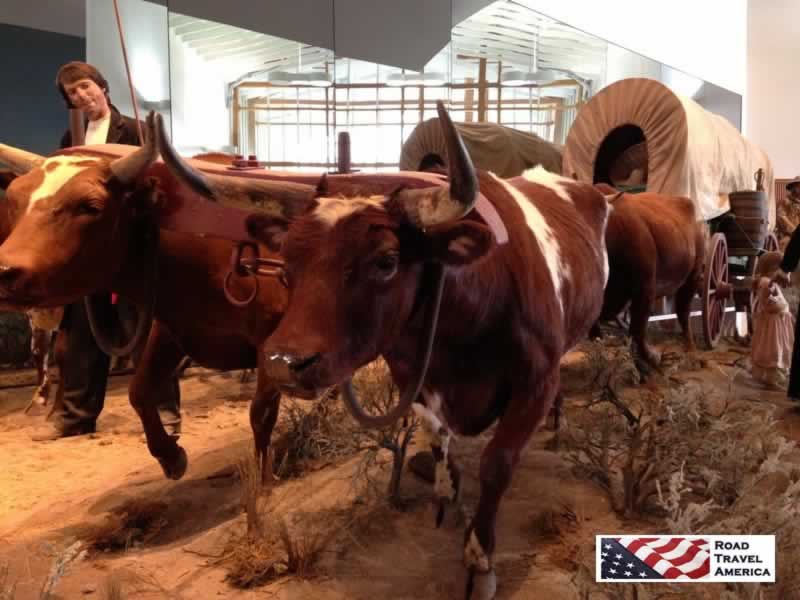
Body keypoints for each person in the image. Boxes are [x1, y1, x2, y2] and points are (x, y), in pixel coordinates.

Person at [32, 61, 181, 441]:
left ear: (101, 86)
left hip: (131, 249)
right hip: (90, 249)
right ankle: (75, 417)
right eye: (73, 93)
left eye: (85, 87)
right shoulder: (72, 137)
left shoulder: (135, 130)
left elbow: (160, 182)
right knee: (83, 332)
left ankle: (164, 413)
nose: (82, 96)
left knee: (142, 331)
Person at [750, 252, 794, 389]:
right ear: (774, 269)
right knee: (773, 349)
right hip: (773, 325)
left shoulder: (770, 282)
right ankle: (771, 379)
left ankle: (773, 376)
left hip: (777, 323)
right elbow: (769, 301)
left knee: (777, 348)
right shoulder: (766, 283)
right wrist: (781, 306)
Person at [777, 176, 800, 250]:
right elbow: (781, 217)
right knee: (786, 245)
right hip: (789, 235)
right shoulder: (785, 202)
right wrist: (794, 230)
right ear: (793, 188)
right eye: (798, 186)